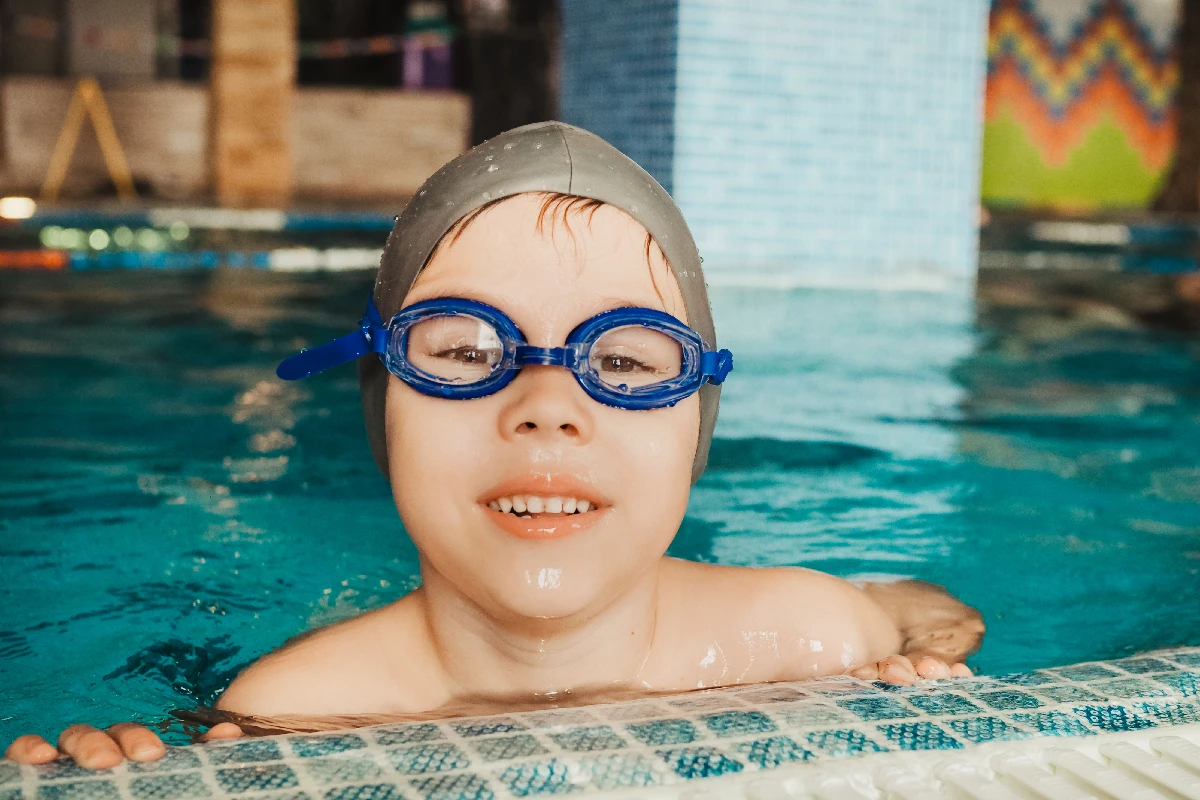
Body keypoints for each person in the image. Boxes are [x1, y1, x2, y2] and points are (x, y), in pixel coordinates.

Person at [6, 122, 983, 769]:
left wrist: (932, 651)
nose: (548, 405)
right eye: (466, 351)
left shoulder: (809, 635)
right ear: (382, 407)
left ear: (699, 424)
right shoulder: (289, 706)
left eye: (630, 363)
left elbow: (919, 605)